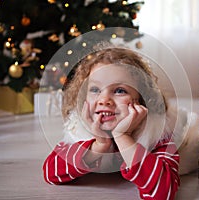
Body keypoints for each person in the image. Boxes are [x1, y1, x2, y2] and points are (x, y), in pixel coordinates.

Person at [43, 46, 180, 200]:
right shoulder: (79, 128)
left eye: (120, 90)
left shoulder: (157, 134)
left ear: (142, 98)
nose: (104, 100)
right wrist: (98, 145)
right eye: (95, 89)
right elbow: (51, 173)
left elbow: (163, 193)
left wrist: (123, 136)